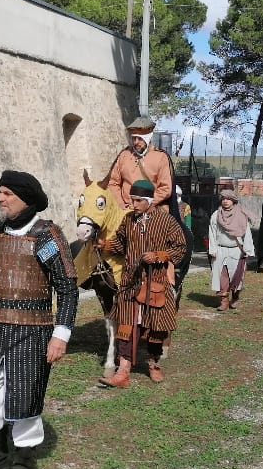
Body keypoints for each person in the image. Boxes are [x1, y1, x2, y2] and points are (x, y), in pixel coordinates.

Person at [0, 170, 78, 469]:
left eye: (8, 193)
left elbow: (67, 291)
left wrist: (61, 335)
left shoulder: (45, 237)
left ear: (26, 199)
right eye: (0, 192)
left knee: (23, 400)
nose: (1, 198)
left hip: (33, 332)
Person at [97, 180, 189, 388]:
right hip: (130, 283)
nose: (134, 204)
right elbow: (121, 244)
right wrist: (106, 244)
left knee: (156, 327)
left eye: (138, 200)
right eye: (132, 200)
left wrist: (159, 255)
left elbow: (181, 248)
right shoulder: (128, 220)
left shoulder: (166, 221)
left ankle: (154, 363)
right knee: (126, 326)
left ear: (148, 201)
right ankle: (123, 372)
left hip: (156, 282)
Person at [106, 116, 173, 210]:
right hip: (126, 209)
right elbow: (113, 183)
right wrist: (120, 203)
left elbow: (165, 188)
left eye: (140, 139)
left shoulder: (160, 157)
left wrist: (146, 204)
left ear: (148, 138)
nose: (136, 142)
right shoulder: (124, 155)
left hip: (151, 209)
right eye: (134, 138)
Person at [208, 189, 253, 311]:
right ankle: (224, 301)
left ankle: (235, 297)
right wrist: (213, 249)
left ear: (233, 201)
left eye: (228, 199)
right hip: (221, 250)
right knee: (222, 277)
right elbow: (212, 233)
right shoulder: (216, 215)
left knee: (237, 277)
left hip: (236, 250)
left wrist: (248, 250)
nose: (225, 201)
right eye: (223, 199)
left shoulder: (241, 215)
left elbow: (247, 233)